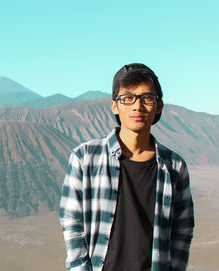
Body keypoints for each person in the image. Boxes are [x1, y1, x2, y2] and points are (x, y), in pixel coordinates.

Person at [60, 63, 194, 271]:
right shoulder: (85, 158)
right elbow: (72, 224)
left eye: (147, 97)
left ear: (159, 106)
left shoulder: (174, 166)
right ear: (115, 105)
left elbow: (182, 230)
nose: (137, 106)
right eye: (128, 98)